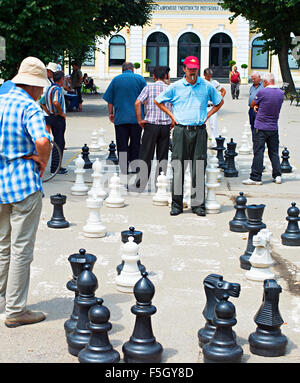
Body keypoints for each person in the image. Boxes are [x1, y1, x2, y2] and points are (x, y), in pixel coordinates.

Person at [0, 56, 51, 327]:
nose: (42, 91)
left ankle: (1, 300)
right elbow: (42, 140)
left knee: (2, 245)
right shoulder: (29, 107)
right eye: (40, 87)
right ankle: (16, 310)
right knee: (21, 248)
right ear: (32, 86)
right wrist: (42, 160)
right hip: (22, 184)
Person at [154, 56, 224, 216]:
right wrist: (172, 116)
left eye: (195, 68)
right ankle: (177, 205)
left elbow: (219, 101)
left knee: (198, 167)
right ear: (184, 69)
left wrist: (208, 114)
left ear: (198, 69)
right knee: (178, 167)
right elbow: (158, 101)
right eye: (189, 68)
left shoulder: (206, 86)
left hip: (199, 130)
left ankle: (198, 205)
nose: (192, 71)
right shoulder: (176, 86)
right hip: (180, 130)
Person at [103, 62, 147, 174]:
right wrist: (145, 114)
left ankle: (124, 168)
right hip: (136, 118)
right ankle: (135, 166)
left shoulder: (116, 80)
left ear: (122, 70)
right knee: (136, 142)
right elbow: (146, 99)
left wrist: (111, 113)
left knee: (122, 143)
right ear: (132, 69)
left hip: (120, 118)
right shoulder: (140, 79)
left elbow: (110, 99)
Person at [135, 66, 172, 191]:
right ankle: (160, 183)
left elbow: (137, 103)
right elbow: (175, 105)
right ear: (166, 76)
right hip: (165, 126)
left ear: (154, 76)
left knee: (146, 154)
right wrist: (172, 121)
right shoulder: (169, 89)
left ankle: (140, 183)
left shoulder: (149, 87)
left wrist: (140, 119)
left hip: (151, 126)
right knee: (163, 156)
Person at [242, 73, 284, 186]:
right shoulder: (281, 93)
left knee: (259, 151)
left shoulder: (262, 92)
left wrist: (256, 106)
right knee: (274, 152)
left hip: (261, 126)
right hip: (274, 126)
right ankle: (277, 175)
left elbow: (252, 103)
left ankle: (256, 177)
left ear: (265, 82)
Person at [44, 70, 68, 174]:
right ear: (61, 79)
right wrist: (60, 112)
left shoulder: (49, 88)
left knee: (57, 140)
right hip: (58, 118)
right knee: (59, 142)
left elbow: (42, 103)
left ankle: (56, 166)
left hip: (51, 117)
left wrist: (49, 112)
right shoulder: (58, 89)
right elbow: (56, 101)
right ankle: (55, 167)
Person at [203, 68, 226, 146]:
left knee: (213, 125)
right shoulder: (201, 83)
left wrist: (220, 98)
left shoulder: (214, 83)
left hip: (212, 106)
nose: (209, 78)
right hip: (203, 107)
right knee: (202, 124)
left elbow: (223, 91)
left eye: (210, 76)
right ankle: (203, 141)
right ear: (204, 75)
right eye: (208, 76)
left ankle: (214, 141)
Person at [248, 71, 264, 139]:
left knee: (260, 126)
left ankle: (260, 140)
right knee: (252, 125)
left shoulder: (263, 86)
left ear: (259, 78)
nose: (253, 80)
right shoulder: (252, 86)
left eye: (254, 79)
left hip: (259, 109)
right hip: (251, 109)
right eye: (252, 79)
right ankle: (254, 139)